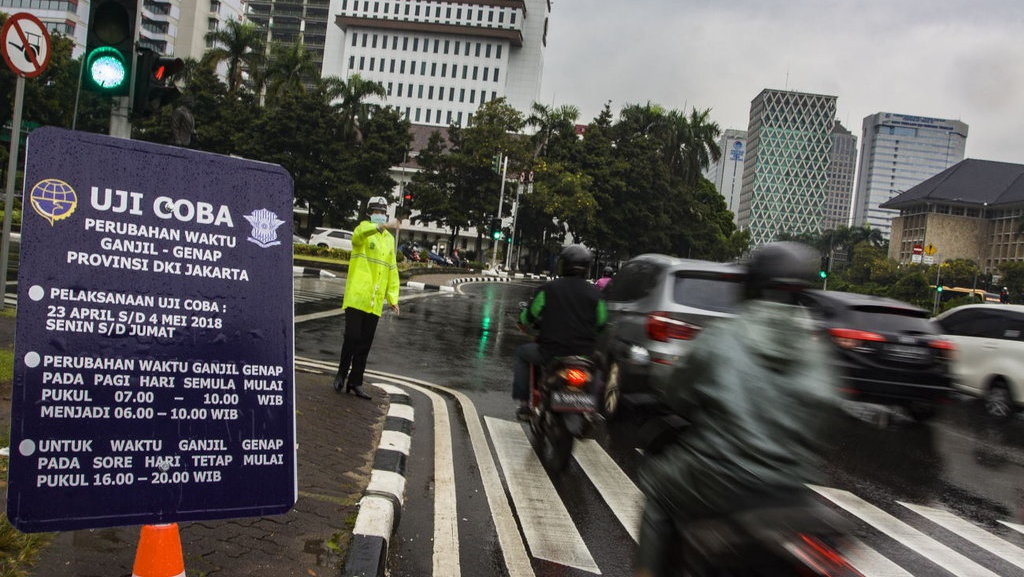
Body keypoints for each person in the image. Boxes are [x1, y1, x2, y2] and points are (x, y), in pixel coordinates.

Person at [635, 242, 840, 577]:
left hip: (716, 476)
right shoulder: (816, 349)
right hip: (788, 487)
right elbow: (828, 412)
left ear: (751, 286)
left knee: (657, 489)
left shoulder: (724, 335)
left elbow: (677, 391)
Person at [513, 244, 607, 420]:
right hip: (584, 355)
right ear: (587, 268)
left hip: (550, 353)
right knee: (601, 364)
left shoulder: (548, 289)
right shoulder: (596, 294)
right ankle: (594, 409)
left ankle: (524, 405)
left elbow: (529, 316)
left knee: (522, 354)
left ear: (563, 265)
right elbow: (602, 323)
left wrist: (523, 322)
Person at [332, 196, 401, 400]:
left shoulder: (389, 239)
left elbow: (391, 268)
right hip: (357, 296)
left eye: (382, 212)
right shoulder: (362, 230)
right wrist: (380, 226)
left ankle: (355, 382)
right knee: (352, 337)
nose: (380, 215)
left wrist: (392, 297)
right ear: (369, 213)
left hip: (375, 300)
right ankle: (341, 374)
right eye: (376, 212)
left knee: (365, 343)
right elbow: (358, 236)